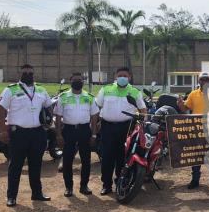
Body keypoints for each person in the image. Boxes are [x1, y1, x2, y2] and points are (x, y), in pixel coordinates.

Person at [0, 64, 53, 207]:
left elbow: (48, 104)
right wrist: (3, 130)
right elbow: (1, 109)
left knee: (36, 164)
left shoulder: (41, 89)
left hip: (38, 133)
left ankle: (37, 193)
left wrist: (48, 119)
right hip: (19, 133)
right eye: (25, 73)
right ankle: (11, 197)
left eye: (30, 73)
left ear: (34, 74)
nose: (28, 74)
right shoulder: (11, 89)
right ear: (20, 74)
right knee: (16, 165)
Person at [95, 67, 146, 195]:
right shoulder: (106, 90)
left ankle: (120, 182)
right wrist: (97, 123)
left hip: (126, 127)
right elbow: (98, 106)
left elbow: (143, 110)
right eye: (120, 75)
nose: (122, 77)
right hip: (107, 127)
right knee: (107, 157)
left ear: (129, 77)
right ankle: (106, 185)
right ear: (115, 77)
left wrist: (140, 123)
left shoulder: (135, 92)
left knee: (122, 157)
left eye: (125, 75)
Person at [54, 71, 99, 197]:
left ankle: (84, 186)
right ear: (70, 81)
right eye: (75, 80)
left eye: (80, 80)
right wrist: (58, 135)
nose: (77, 82)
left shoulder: (89, 97)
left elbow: (95, 116)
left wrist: (94, 134)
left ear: (83, 82)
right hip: (68, 130)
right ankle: (69, 187)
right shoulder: (63, 97)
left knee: (86, 160)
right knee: (68, 160)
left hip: (85, 130)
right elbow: (58, 117)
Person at [177, 71, 209, 189]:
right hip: (196, 129)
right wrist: (180, 104)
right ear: (199, 81)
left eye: (207, 79)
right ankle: (195, 179)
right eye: (202, 79)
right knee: (196, 155)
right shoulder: (193, 94)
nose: (204, 81)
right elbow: (185, 108)